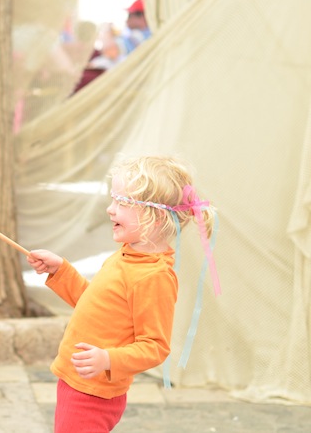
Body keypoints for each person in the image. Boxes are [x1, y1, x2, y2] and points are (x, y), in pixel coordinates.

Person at [27, 155, 217, 432]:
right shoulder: (127, 256)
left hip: (93, 394)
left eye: (123, 203)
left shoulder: (154, 277)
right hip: (77, 381)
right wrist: (60, 271)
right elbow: (96, 305)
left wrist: (107, 360)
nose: (110, 209)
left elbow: (155, 346)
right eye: (114, 199)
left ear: (155, 217)